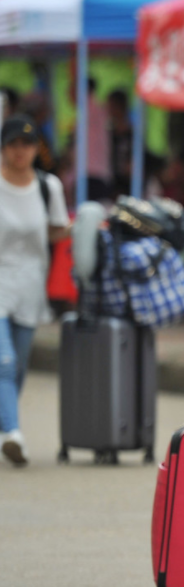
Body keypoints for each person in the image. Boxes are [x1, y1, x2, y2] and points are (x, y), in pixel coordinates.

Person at [0, 115, 70, 466]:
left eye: (26, 145)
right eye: (13, 144)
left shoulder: (48, 186)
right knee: (4, 361)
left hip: (30, 285)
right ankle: (12, 432)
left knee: (19, 367)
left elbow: (57, 229)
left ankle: (6, 419)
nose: (20, 152)